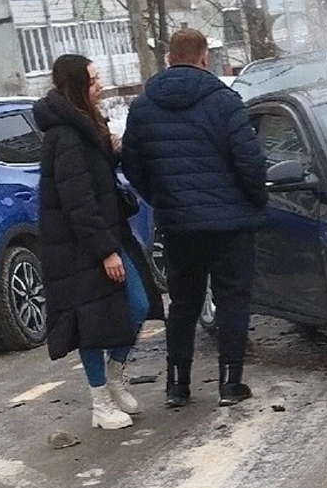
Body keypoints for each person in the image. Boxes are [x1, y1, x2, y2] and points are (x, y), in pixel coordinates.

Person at [120, 28, 269, 408]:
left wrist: (163, 200)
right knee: (232, 298)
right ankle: (230, 383)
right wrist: (255, 202)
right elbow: (250, 162)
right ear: (204, 57)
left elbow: (133, 166)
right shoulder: (224, 101)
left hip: (177, 225)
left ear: (170, 58)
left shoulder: (142, 107)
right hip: (230, 224)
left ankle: (177, 384)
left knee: (184, 303)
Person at [34, 54, 163, 432]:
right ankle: (100, 401)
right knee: (88, 321)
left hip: (105, 233)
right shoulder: (65, 135)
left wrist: (113, 149)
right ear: (76, 86)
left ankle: (115, 375)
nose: (100, 84)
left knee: (137, 305)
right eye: (93, 80)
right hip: (80, 247)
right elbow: (77, 200)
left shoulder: (86, 123)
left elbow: (94, 178)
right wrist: (105, 250)